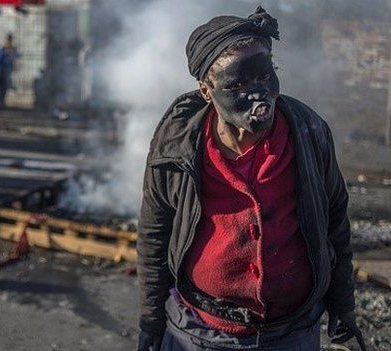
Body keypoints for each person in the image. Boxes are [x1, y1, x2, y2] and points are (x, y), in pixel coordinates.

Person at [137, 7, 366, 351]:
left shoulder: (308, 132)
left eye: (264, 77)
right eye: (239, 84)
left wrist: (342, 304)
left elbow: (335, 220)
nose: (258, 94)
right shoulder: (175, 151)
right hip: (200, 334)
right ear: (206, 91)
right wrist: (151, 322)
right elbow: (154, 238)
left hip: (292, 332)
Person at [0, 33, 17, 109]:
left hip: (7, 69)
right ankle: (0, 101)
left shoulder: (12, 47)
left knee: (5, 86)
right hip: (1, 68)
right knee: (0, 85)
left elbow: (13, 58)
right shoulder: (2, 46)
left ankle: (2, 101)